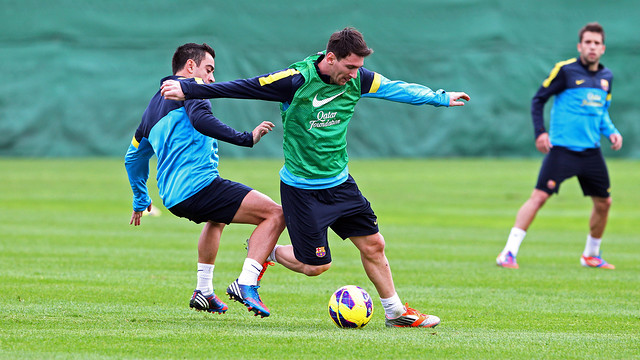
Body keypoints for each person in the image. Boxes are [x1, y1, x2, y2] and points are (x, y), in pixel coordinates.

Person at [161, 27, 470, 328]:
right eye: (350, 66)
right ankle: (268, 251)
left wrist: (440, 98)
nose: (354, 73)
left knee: (374, 244)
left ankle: (395, 312)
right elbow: (244, 86)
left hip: (340, 184)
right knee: (317, 266)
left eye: (359, 67)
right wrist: (190, 88)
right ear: (331, 58)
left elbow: (398, 89)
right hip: (302, 191)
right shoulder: (295, 81)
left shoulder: (358, 80)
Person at [125, 43, 285, 318]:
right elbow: (201, 120)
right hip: (199, 187)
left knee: (217, 219)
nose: (211, 78)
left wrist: (141, 198)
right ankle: (246, 283)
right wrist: (245, 138)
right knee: (275, 214)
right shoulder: (191, 89)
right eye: (208, 69)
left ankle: (204, 290)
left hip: (175, 198)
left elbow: (133, 157)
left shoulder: (152, 109)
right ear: (190, 67)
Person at [496, 22, 622, 270]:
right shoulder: (565, 71)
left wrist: (612, 132)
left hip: (591, 151)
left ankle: (591, 255)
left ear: (603, 48)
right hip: (563, 150)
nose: (592, 47)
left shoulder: (607, 78)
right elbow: (538, 99)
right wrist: (540, 132)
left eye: (597, 43)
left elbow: (602, 111)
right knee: (539, 197)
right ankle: (508, 253)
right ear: (580, 45)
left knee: (604, 203)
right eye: (588, 42)